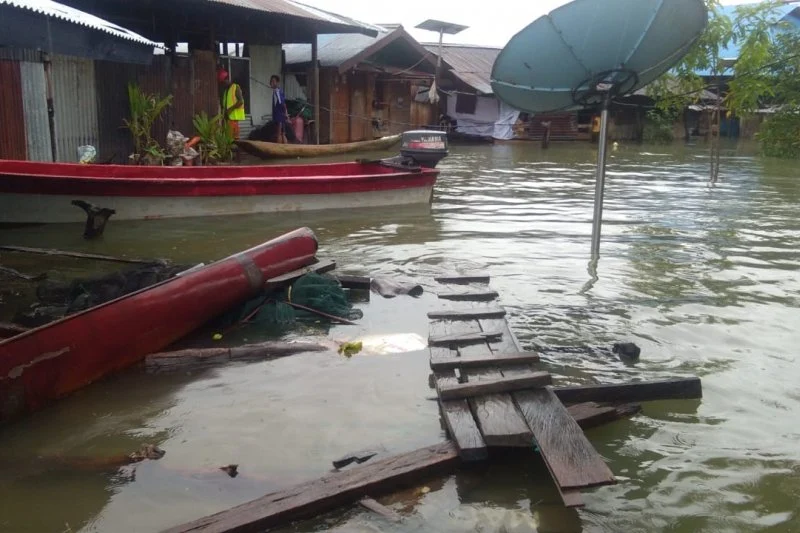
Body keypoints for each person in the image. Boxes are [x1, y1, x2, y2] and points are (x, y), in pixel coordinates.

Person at [218, 68, 245, 140]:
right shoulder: (226, 90)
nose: (223, 84)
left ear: (227, 79)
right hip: (227, 118)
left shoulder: (235, 87)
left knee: (234, 139)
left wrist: (230, 109)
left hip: (233, 118)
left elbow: (241, 101)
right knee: (228, 139)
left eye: (223, 82)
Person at [270, 74, 289, 144]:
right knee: (282, 133)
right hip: (279, 115)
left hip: (279, 115)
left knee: (279, 133)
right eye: (271, 81)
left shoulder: (277, 91)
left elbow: (282, 103)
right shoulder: (276, 91)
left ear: (277, 83)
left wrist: (285, 113)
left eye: (273, 81)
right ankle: (285, 149)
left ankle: (280, 148)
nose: (271, 83)